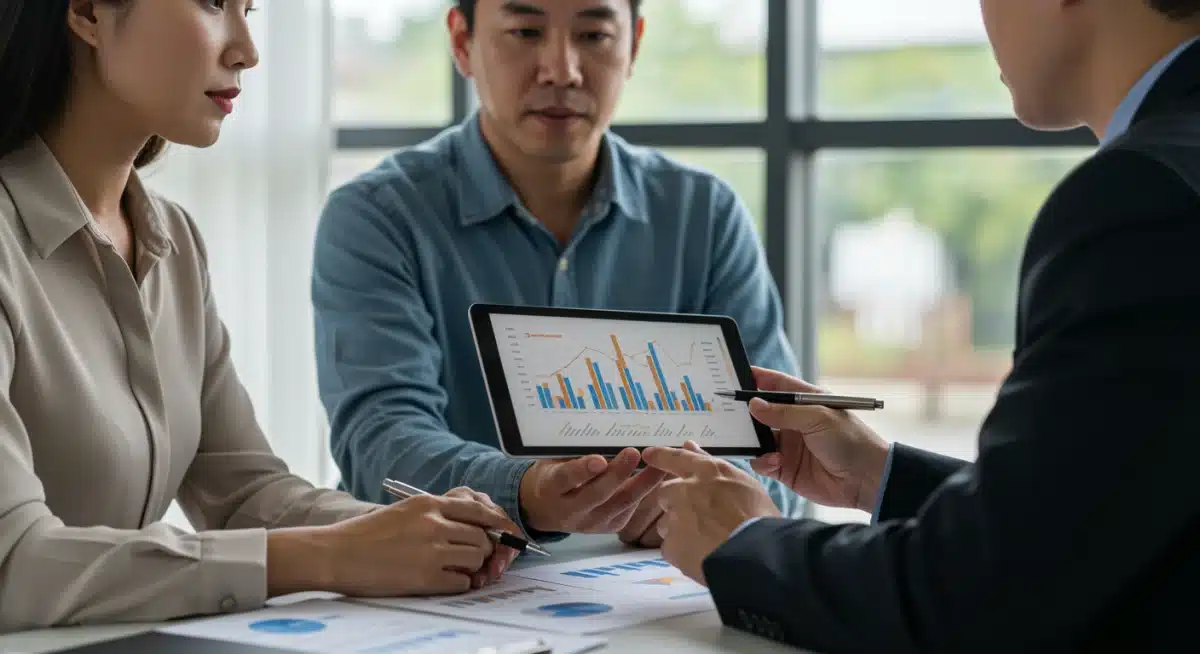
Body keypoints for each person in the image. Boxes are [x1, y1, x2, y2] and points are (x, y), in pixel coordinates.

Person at [640, 0, 1200, 651]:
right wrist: (881, 475)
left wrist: (743, 544)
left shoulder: (1143, 195)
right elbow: (1106, 519)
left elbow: (980, 598)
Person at [0, 0, 522, 633]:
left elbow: (245, 494)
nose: (247, 48)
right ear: (85, 12)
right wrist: (333, 555)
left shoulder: (172, 239)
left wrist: (416, 531)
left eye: (249, 10)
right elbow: (15, 565)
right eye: (214, 5)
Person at [312, 0, 804, 548]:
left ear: (634, 45)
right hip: (456, 588)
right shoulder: (379, 216)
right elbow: (379, 446)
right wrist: (527, 492)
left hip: (663, 589)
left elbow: (780, 447)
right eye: (525, 31)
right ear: (460, 41)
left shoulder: (704, 215)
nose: (562, 70)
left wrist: (705, 493)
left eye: (593, 35)